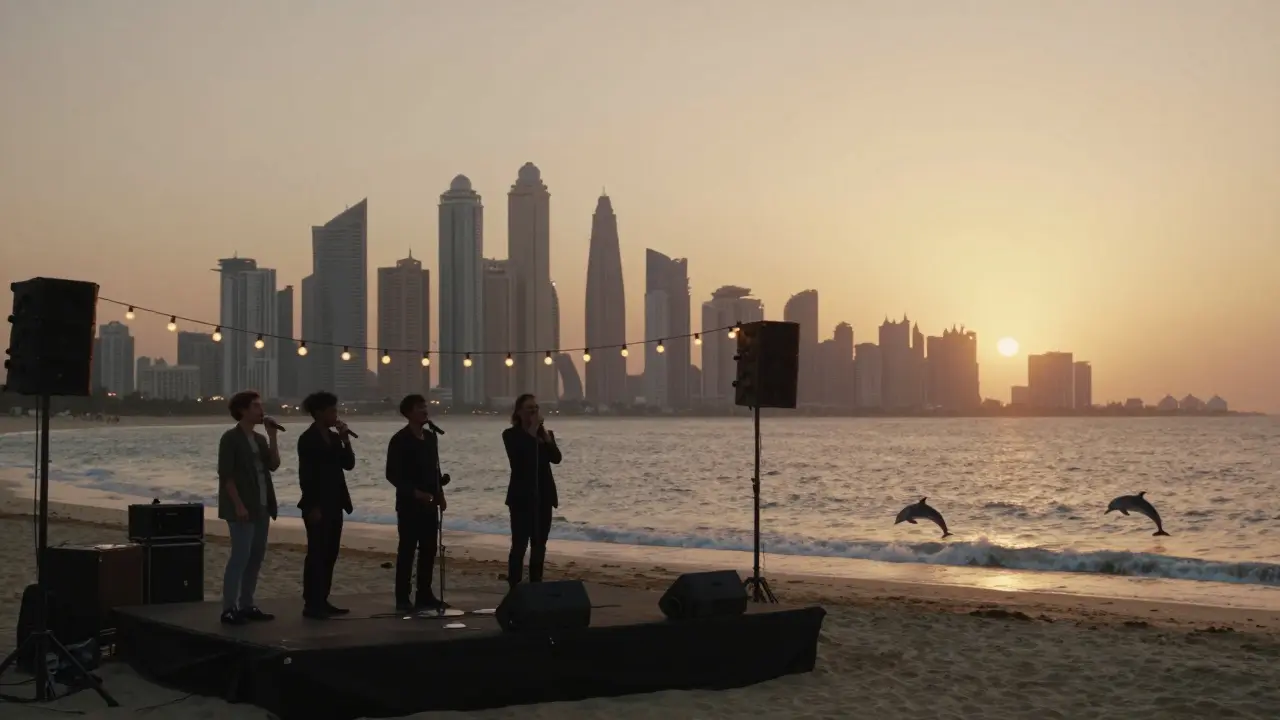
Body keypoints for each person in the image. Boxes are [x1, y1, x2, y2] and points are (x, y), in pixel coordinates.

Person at [216, 390, 280, 625]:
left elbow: (273, 465)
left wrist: (273, 436)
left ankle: (247, 604)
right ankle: (229, 608)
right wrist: (238, 505)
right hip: (241, 507)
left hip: (262, 505)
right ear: (242, 410)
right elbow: (226, 475)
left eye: (260, 406)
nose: (260, 410)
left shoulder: (260, 439)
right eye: (255, 406)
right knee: (240, 557)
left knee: (256, 557)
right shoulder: (230, 438)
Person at [296, 391, 355, 619]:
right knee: (316, 553)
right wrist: (312, 506)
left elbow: (348, 464)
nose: (335, 414)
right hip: (317, 503)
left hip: (335, 502)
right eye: (332, 410)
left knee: (330, 552)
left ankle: (322, 598)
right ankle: (311, 602)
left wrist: (345, 439)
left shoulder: (332, 437)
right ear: (319, 413)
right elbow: (306, 476)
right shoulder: (307, 438)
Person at [385, 394, 447, 611]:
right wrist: (414, 492)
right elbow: (392, 474)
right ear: (409, 413)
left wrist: (440, 493)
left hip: (430, 504)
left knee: (429, 550)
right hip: (409, 504)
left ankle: (425, 594)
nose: (425, 411)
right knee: (407, 550)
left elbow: (435, 469)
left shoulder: (431, 438)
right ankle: (402, 597)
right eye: (420, 407)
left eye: (425, 407)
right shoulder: (400, 439)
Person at [502, 393, 561, 588]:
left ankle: (536, 586)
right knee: (519, 545)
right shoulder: (511, 435)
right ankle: (515, 588)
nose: (533, 412)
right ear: (519, 413)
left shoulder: (546, 434)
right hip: (521, 498)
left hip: (544, 496)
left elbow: (556, 458)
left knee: (539, 546)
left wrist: (546, 438)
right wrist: (532, 431)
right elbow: (519, 460)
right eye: (529, 409)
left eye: (536, 409)